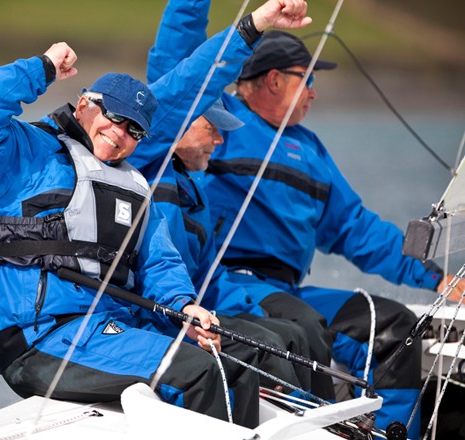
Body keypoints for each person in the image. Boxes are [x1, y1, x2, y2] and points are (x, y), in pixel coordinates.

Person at [0, 0, 312, 427]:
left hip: (106, 330)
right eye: (114, 117)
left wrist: (183, 306)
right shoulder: (23, 156)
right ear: (84, 104)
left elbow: (158, 260)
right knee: (197, 373)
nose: (120, 133)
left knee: (238, 356)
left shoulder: (134, 185)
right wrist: (41, 68)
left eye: (134, 129)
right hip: (39, 337)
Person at [179, 24, 464, 438]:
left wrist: (436, 278)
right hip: (227, 284)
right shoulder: (219, 122)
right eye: (306, 80)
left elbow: (356, 229)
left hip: (286, 290)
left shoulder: (311, 150)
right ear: (274, 80)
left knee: (399, 328)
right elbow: (180, 68)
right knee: (303, 325)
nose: (313, 92)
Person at [128, 0, 332, 399]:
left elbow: (207, 277)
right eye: (212, 128)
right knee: (279, 343)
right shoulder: (145, 155)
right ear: (182, 120)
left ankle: (324, 418)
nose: (220, 140)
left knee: (294, 333)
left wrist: (257, 312)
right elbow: (178, 59)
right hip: (151, 318)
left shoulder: (194, 190)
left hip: (194, 310)